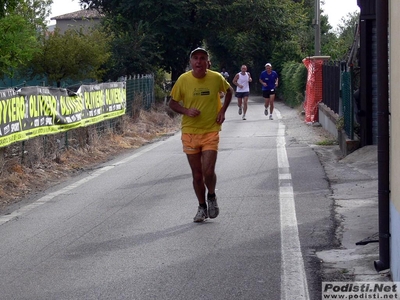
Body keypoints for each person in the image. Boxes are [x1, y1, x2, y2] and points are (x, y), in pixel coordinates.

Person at [169, 47, 234, 222]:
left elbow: (229, 92)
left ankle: (211, 196)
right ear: (191, 62)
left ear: (207, 62)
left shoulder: (216, 78)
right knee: (197, 175)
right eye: (195, 58)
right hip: (190, 132)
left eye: (202, 58)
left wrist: (223, 111)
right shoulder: (183, 80)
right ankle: (202, 206)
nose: (199, 61)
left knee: (208, 171)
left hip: (211, 131)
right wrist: (186, 110)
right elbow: (172, 103)